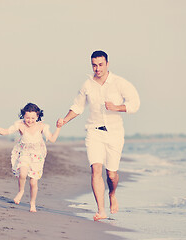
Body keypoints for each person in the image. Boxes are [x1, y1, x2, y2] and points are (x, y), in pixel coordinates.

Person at [57, 50, 140, 221]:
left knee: (111, 174)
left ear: (107, 64)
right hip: (94, 131)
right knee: (96, 169)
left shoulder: (119, 83)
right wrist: (64, 120)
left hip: (115, 133)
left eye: (100, 65)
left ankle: (113, 194)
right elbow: (78, 107)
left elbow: (135, 104)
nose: (97, 68)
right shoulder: (87, 85)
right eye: (94, 65)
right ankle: (101, 210)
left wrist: (117, 108)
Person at [0, 103, 61, 212]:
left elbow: (52, 139)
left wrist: (58, 128)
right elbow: (5, 132)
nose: (30, 120)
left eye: (33, 118)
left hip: (37, 156)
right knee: (22, 173)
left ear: (37, 116)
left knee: (33, 183)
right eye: (27, 117)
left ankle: (32, 203)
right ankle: (21, 191)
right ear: (23, 115)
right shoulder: (20, 125)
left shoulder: (42, 126)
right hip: (25, 153)